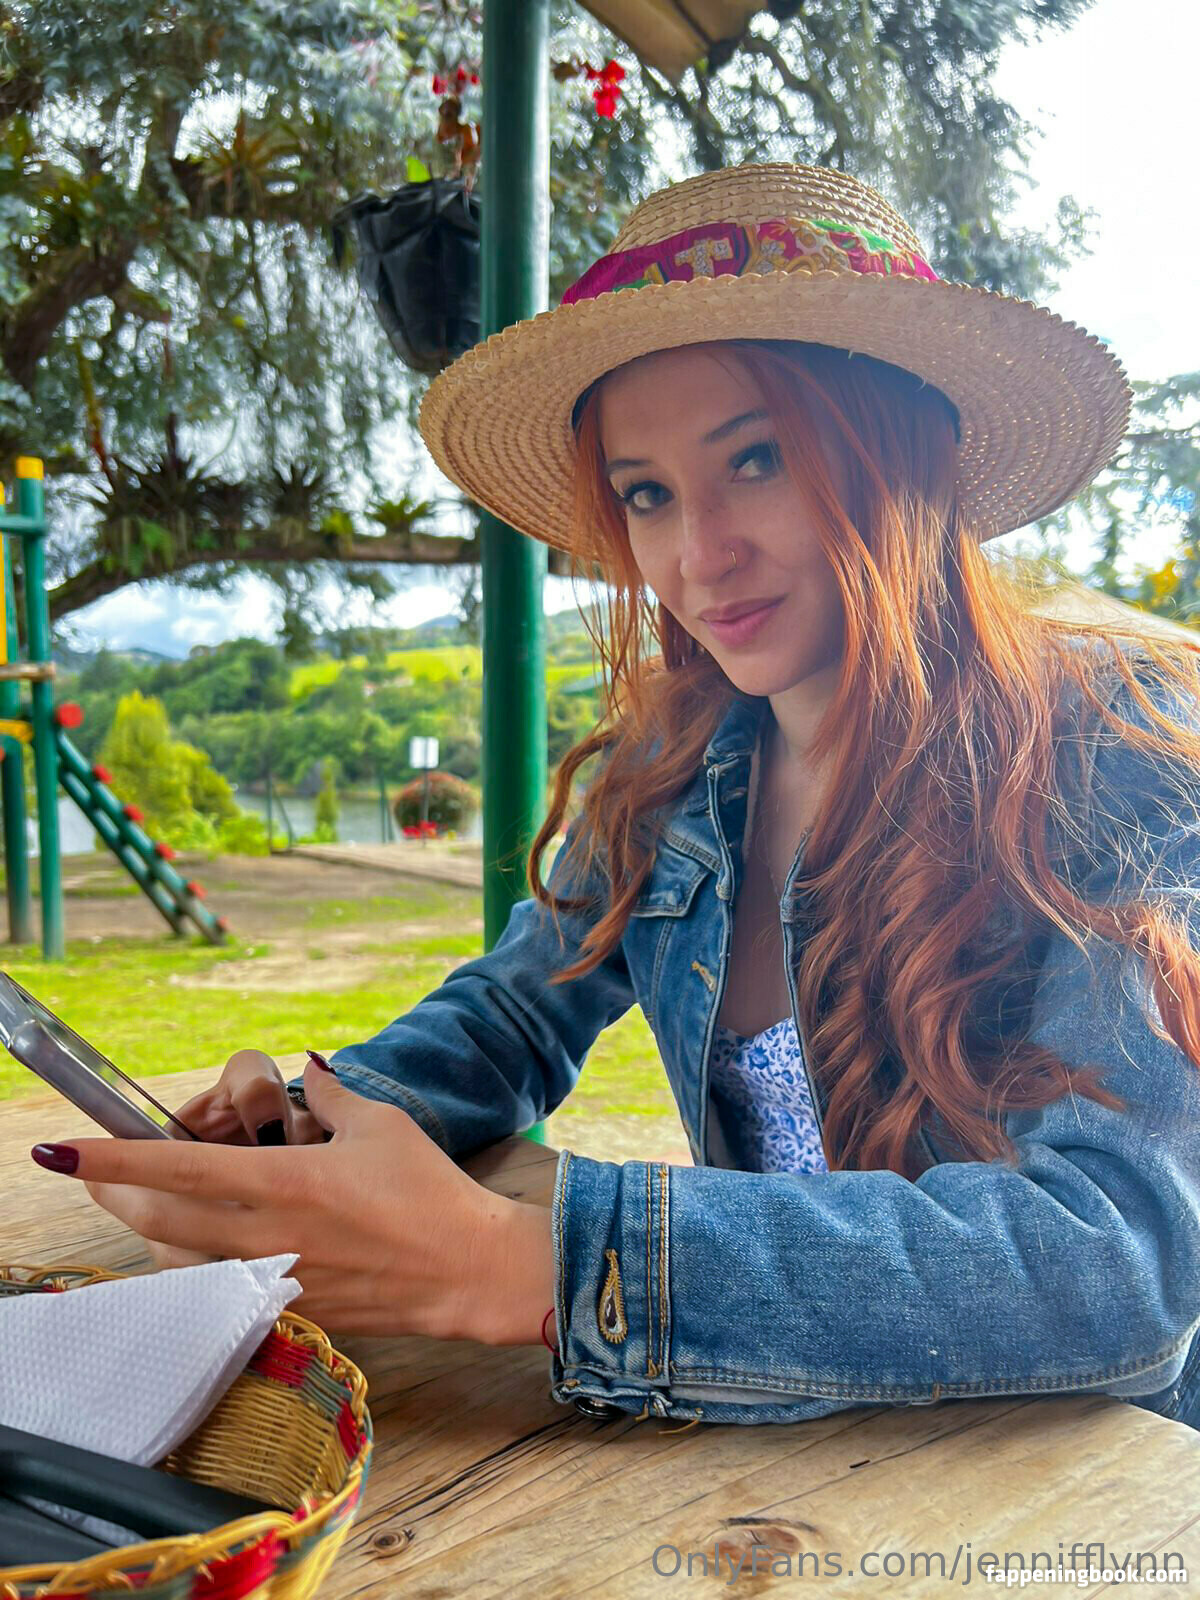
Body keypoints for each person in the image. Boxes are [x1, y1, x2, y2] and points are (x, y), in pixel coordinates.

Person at [31, 163, 1200, 1431]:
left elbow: (1120, 1259)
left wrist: (532, 1264)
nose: (699, 555)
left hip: (1090, 1485)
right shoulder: (673, 772)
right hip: (801, 1466)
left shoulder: (1111, 746)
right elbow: (505, 1017)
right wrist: (312, 1127)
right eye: (648, 493)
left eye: (758, 459)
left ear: (901, 452)